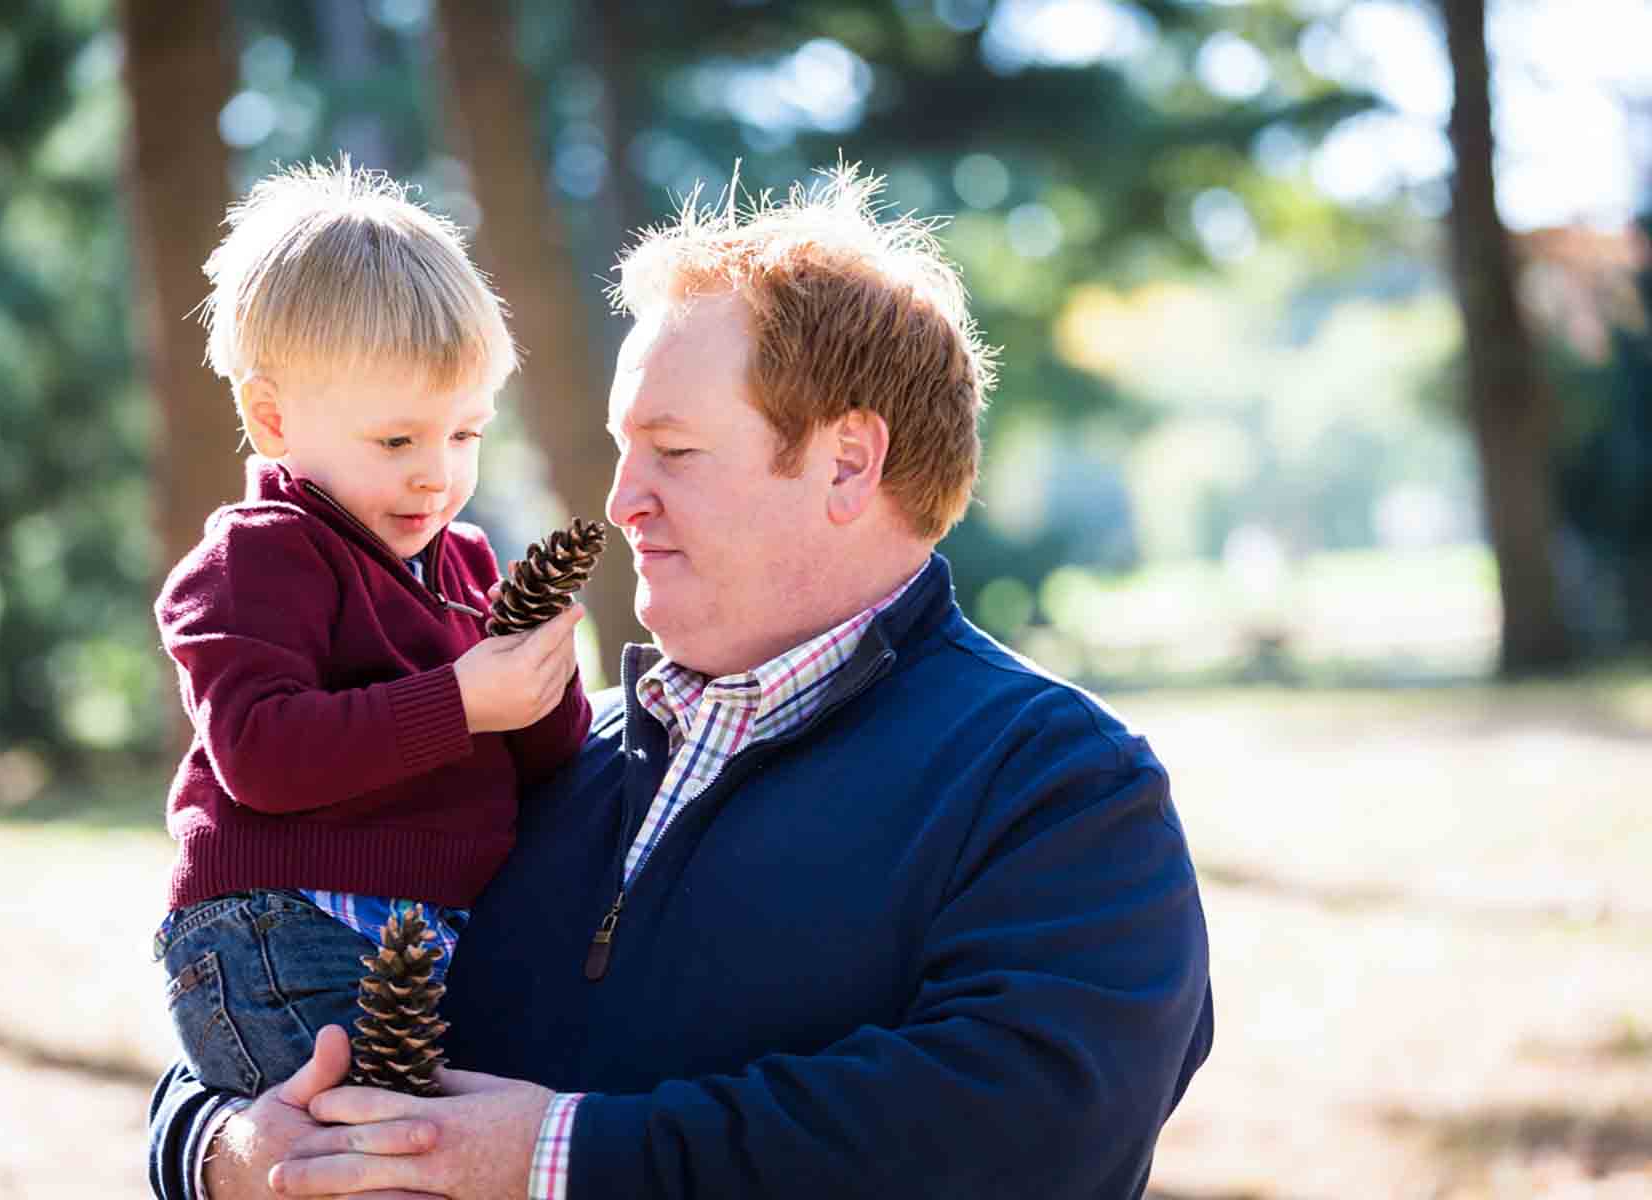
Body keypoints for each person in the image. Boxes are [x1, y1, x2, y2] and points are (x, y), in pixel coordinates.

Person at [149, 163, 1212, 1199]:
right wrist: (225, 1155)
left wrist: (555, 1158)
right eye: (622, 451)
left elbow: (1028, 1132)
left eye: (673, 451)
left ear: (847, 463)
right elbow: (250, 1018)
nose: (619, 503)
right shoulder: (541, 752)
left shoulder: (1055, 783)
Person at [151, 159, 591, 1099]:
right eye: (398, 441)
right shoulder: (263, 558)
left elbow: (539, 767)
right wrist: (462, 701)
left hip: (423, 944)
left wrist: (540, 680)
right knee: (378, 1165)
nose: (436, 474)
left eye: (465, 434)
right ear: (272, 418)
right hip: (285, 928)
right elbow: (261, 753)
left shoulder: (464, 563)